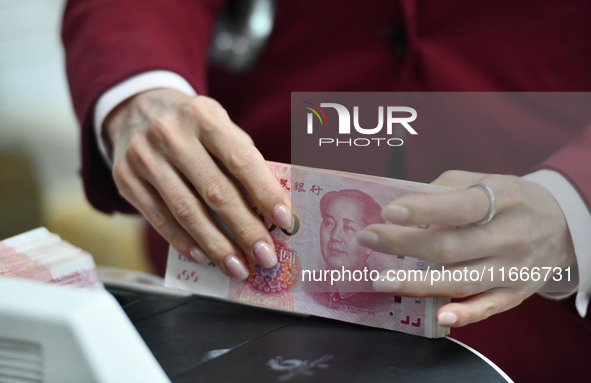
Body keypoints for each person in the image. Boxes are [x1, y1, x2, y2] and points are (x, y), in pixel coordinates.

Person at [62, 1, 591, 381]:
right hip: (229, 287)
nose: (341, 235)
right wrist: (142, 89)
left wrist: (572, 202)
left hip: (534, 319)